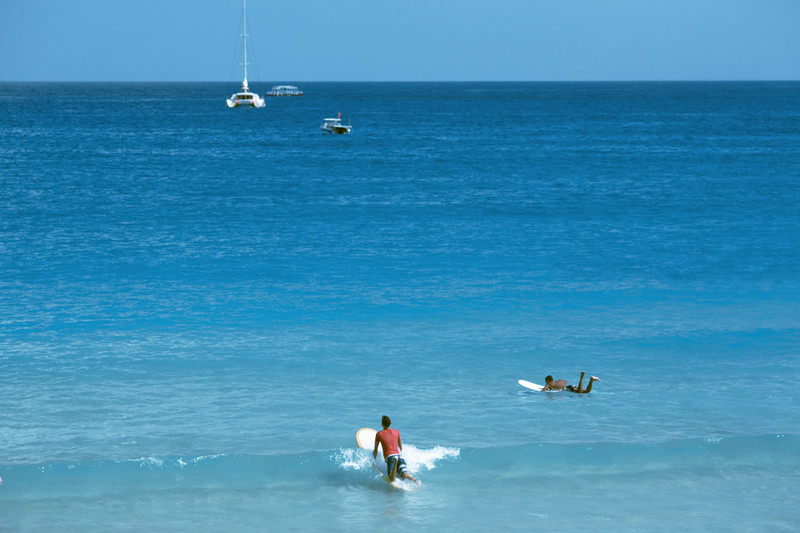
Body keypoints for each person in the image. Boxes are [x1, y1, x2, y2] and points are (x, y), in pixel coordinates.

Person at [373, 415, 419, 484]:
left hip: (391, 458)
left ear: (382, 424)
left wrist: (374, 460)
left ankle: (395, 463)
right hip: (399, 456)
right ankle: (415, 480)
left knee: (392, 478)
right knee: (405, 475)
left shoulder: (379, 434)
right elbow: (400, 447)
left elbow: (375, 450)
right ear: (390, 423)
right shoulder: (396, 431)